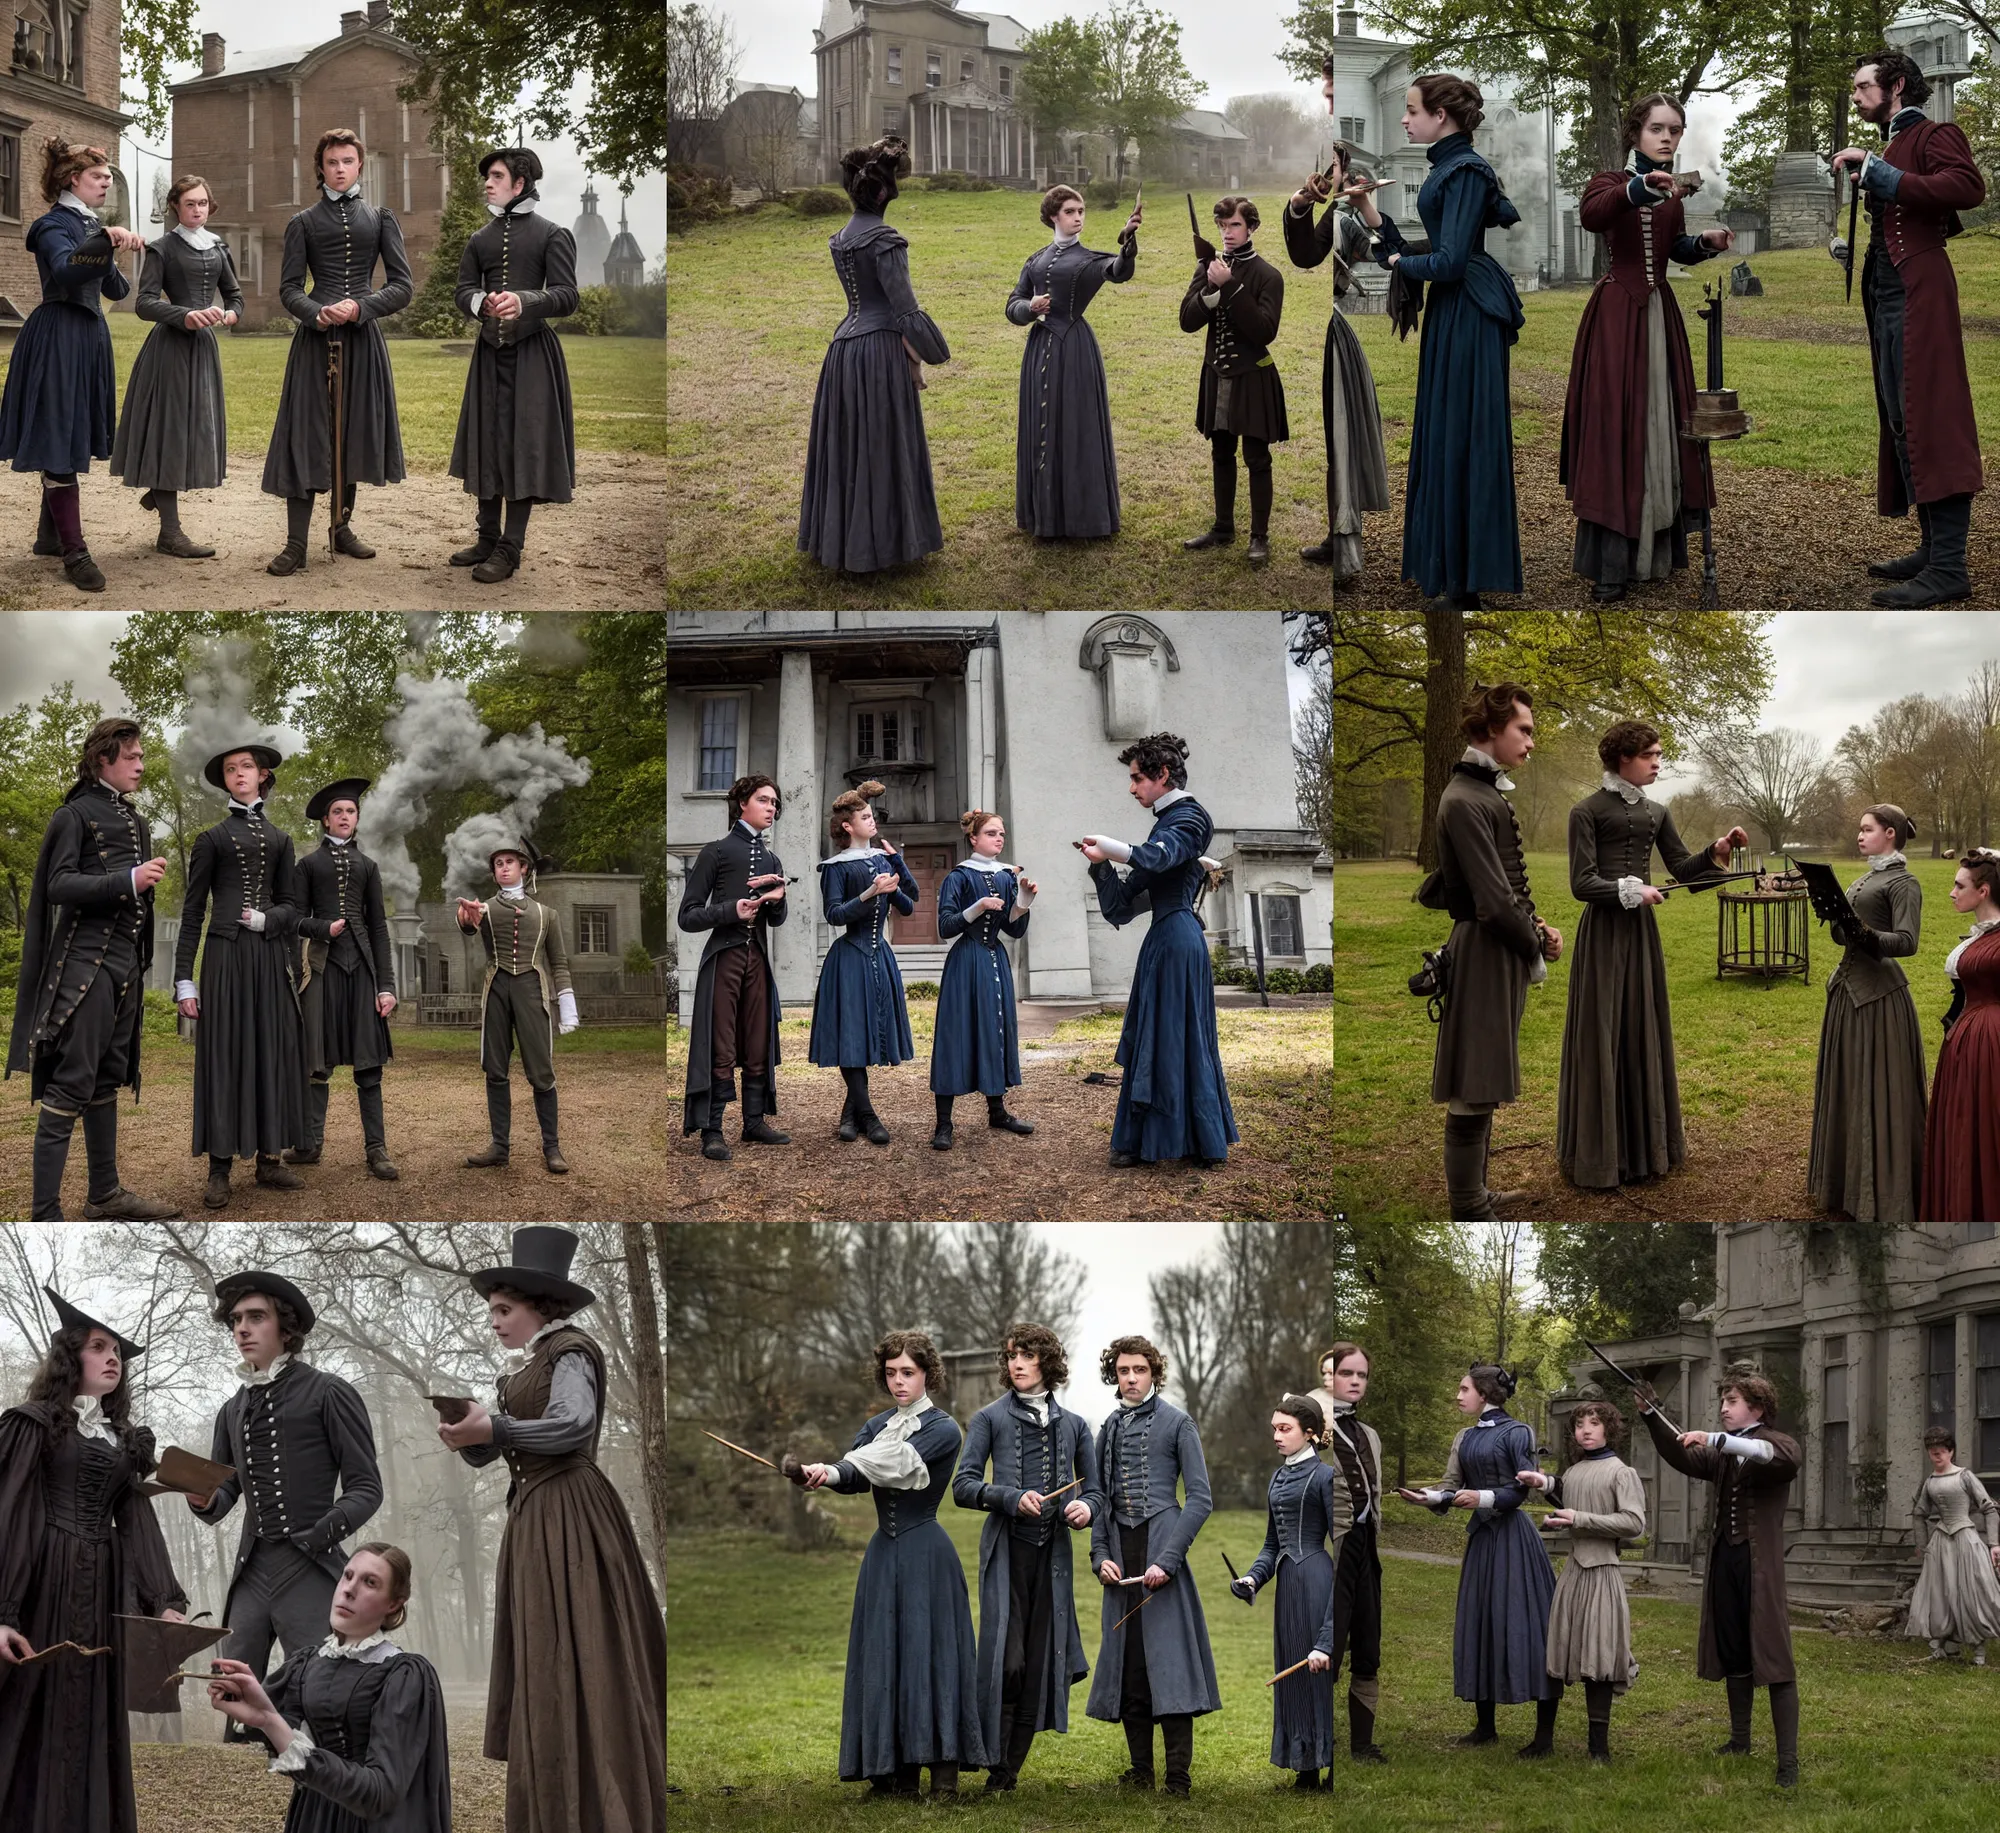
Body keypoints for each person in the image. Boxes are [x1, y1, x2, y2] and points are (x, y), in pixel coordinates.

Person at [442, 1227, 666, 1831]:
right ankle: (556, 1801)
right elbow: (497, 1450)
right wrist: (468, 1432)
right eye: (491, 1310)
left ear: (540, 1307)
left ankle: (603, 1803)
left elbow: (571, 1425)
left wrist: (497, 1430)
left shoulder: (570, 1349)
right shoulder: (523, 1369)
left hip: (572, 1516)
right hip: (534, 1520)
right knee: (545, 1662)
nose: (493, 1321)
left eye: (503, 1309)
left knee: (585, 1653)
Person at [0, 1287, 191, 1833]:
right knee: (28, 1714)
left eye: (117, 1353)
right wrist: (3, 1612)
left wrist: (165, 1602)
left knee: (89, 1722)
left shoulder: (123, 1442)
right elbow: (7, 1515)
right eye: (99, 1347)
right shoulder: (31, 1424)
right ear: (69, 1357)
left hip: (101, 1592)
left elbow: (137, 1522)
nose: (113, 1359)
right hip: (40, 1586)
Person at [1349, 75, 1524, 606]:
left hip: (1470, 310)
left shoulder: (1466, 170)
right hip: (1454, 311)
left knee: (1465, 433)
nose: (1404, 119)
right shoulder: (1448, 167)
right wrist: (1371, 214)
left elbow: (1448, 262)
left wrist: (1402, 261)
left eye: (1411, 110)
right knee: (1448, 429)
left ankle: (1468, 580)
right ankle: (1452, 569)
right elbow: (1439, 246)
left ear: (1440, 115)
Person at [787, 1330, 985, 1798]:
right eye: (892, 1373)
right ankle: (892, 1777)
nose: (899, 1382)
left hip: (926, 1555)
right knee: (886, 1656)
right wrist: (824, 1473)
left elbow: (890, 1463)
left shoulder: (943, 1428)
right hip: (883, 1556)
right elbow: (856, 1475)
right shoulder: (876, 1426)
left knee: (932, 1657)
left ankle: (943, 1779)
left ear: (926, 1375)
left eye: (908, 1373)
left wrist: (831, 1468)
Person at [1557, 720, 1747, 1189]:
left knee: (1641, 1030)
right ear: (1624, 757)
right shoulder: (1586, 812)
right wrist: (1630, 890)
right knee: (1603, 1034)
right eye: (1650, 755)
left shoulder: (1659, 813)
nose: (1658, 763)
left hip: (1641, 936)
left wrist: (1716, 850)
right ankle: (1601, 1157)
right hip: (1604, 936)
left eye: (1660, 755)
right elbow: (1581, 884)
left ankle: (1645, 1150)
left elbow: (1682, 868)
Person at [192, 1272, 384, 1736]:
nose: (242, 1329)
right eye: (236, 1319)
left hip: (311, 1567)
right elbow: (224, 1495)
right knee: (234, 1692)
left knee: (326, 1695)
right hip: (252, 1571)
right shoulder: (232, 1409)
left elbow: (366, 1487)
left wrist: (323, 1531)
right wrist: (202, 1498)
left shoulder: (329, 1392)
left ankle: (328, 1781)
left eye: (256, 1317)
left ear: (286, 1327)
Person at [1561, 95, 1734, 602]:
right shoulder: (1609, 182)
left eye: (1675, 130)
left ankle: (1657, 546)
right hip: (1617, 316)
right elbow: (1593, 215)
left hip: (1661, 314)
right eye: (1657, 128)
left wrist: (1705, 242)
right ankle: (1611, 564)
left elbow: (1673, 247)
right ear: (1636, 132)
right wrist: (1637, 188)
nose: (1666, 138)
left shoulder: (1676, 194)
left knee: (1664, 424)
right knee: (1618, 426)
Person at [7, 715, 180, 1221]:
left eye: (142, 757)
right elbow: (58, 885)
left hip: (125, 967)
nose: (141, 766)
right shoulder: (73, 816)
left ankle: (104, 1194)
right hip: (85, 964)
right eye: (133, 757)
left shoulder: (138, 822)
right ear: (103, 758)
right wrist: (126, 879)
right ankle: (45, 1215)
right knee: (72, 1083)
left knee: (106, 1079)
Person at [1832, 51, 1985, 607]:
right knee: (1901, 415)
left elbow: (1967, 188)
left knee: (1931, 413)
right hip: (1889, 289)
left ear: (1896, 86)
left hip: (1920, 286)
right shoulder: (1893, 144)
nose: (1855, 96)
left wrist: (1879, 173)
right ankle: (1930, 550)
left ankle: (1950, 567)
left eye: (1862, 87)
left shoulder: (1934, 132)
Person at [1420, 683, 1562, 1219]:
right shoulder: (1464, 797)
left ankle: (1476, 1195)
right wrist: (1534, 942)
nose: (1530, 742)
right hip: (1484, 949)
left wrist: (1536, 927)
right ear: (1489, 729)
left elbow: (1505, 891)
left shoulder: (1482, 793)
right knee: (1474, 1083)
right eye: (1523, 730)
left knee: (1483, 1080)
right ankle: (1468, 1206)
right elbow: (1492, 900)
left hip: (1496, 946)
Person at [207, 1544, 451, 1833]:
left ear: (393, 1604)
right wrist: (262, 1714)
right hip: (312, 1819)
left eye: (369, 1582)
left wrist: (272, 1722)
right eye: (347, 1576)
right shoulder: (306, 1664)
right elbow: (291, 1750)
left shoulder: (403, 1675)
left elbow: (380, 1792)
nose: (349, 1589)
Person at [950, 1323, 1101, 1792]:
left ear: (1046, 1363)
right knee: (1008, 1661)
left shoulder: (1075, 1426)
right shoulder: (988, 1419)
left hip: (1052, 1557)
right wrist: (1009, 1497)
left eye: (1027, 1355)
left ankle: (1006, 1772)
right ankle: (988, 1756)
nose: (1016, 1363)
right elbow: (963, 1486)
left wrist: (1084, 1509)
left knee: (1038, 1663)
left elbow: (1094, 1491)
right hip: (1006, 1554)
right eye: (1012, 1355)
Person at [1636, 1369, 1801, 1786]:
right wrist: (1651, 1414)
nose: (1724, 1409)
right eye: (1723, 1402)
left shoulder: (1779, 1444)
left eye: (1732, 1402)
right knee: (1732, 1649)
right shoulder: (1724, 1454)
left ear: (1757, 1409)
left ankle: (1788, 1762)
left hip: (1759, 1567)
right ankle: (1740, 1739)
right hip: (1726, 1560)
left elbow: (1772, 1457)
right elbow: (1682, 1457)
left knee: (1774, 1655)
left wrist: (1713, 1437)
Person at [1081, 733, 1237, 1167]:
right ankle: (1148, 1137)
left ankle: (1194, 1138)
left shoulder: (1190, 817)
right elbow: (1120, 907)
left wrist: (1113, 845)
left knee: (1177, 1033)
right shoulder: (1164, 825)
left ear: (1162, 774)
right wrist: (1100, 865)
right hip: (1161, 940)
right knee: (1157, 1033)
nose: (1131, 788)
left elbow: (1157, 857)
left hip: (1179, 939)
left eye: (1136, 779)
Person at [262, 128, 413, 576]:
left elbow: (403, 287)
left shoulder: (382, 218)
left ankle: (341, 527)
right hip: (315, 343)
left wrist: (362, 307)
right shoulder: (303, 223)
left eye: (348, 161)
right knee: (306, 435)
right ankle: (295, 543)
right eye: (332, 163)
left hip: (363, 343)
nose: (340, 169)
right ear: (321, 167)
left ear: (359, 165)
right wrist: (317, 312)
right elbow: (289, 290)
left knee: (352, 432)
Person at [798, 135, 951, 574]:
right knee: (881, 444)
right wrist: (934, 353)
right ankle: (883, 548)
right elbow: (905, 310)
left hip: (843, 351)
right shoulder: (886, 241)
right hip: (879, 352)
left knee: (850, 446)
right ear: (886, 193)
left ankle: (844, 542)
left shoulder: (840, 239)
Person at [0, 138, 144, 592]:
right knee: (58, 431)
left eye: (106, 176)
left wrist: (114, 245)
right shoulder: (51, 226)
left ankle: (48, 534)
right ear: (71, 181)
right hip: (57, 335)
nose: (106, 182)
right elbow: (64, 272)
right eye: (98, 176)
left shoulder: (87, 222)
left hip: (88, 337)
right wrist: (103, 239)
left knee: (70, 431)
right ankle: (74, 551)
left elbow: (117, 292)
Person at [173, 743, 311, 1210]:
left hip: (268, 957)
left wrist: (266, 921)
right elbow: (193, 913)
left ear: (263, 775)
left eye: (245, 767)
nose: (238, 774)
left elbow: (293, 907)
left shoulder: (282, 839)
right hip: (225, 959)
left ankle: (270, 1159)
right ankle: (219, 1167)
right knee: (226, 1054)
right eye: (230, 770)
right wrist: (184, 980)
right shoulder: (210, 839)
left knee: (270, 1050)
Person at [1396, 1366, 1558, 1753]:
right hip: (1483, 1541)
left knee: (1529, 1626)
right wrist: (1431, 1497)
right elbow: (1452, 1486)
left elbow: (1521, 1490)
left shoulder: (1518, 1432)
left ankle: (1544, 1737)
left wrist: (1482, 1497)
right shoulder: (1464, 1437)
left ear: (1484, 1393)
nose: (1458, 1395)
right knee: (1480, 1622)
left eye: (1464, 1388)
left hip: (1514, 1541)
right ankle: (1485, 1727)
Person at [1086, 1335, 1221, 1798]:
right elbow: (1099, 1501)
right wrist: (1099, 1555)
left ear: (1153, 1373)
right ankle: (1141, 1770)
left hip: (1163, 1549)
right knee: (1132, 1667)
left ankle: (1178, 1777)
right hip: (1122, 1553)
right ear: (1114, 1375)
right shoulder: (1108, 1428)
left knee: (1170, 1663)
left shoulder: (1179, 1423)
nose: (1130, 1378)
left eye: (1139, 1370)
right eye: (1123, 1371)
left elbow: (1200, 1499)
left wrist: (1169, 1560)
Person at [448, 145, 580, 584]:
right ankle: (487, 537)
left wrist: (524, 301)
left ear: (520, 184)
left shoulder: (552, 234)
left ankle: (511, 547)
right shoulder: (479, 239)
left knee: (522, 447)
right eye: (488, 176)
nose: (488, 183)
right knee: (488, 443)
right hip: (489, 355)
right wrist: (479, 301)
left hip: (532, 358)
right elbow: (463, 289)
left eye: (497, 176)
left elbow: (567, 296)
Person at [1284, 69, 1392, 575]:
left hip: (1337, 337)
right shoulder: (1332, 213)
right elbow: (1304, 252)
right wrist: (1301, 204)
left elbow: (1385, 253)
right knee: (1332, 439)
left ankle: (1345, 549)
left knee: (1341, 439)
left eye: (1337, 166)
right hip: (1318, 337)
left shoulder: (1349, 216)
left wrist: (1363, 207)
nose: (1331, 175)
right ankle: (1336, 537)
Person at [109, 172, 243, 558]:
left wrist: (231, 315)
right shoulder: (162, 248)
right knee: (171, 431)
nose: (197, 210)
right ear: (176, 207)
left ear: (210, 206)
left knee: (195, 429)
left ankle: (159, 492)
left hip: (202, 350)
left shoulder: (217, 246)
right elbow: (145, 302)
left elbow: (235, 295)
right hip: (169, 349)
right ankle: (170, 532)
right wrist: (184, 315)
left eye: (203, 203)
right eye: (190, 204)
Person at [1809, 803, 1926, 1225]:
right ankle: (1845, 1183)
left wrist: (1864, 933)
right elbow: (1849, 935)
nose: (1859, 836)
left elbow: (1907, 942)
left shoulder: (1904, 882)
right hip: (1847, 992)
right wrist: (1835, 917)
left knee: (1877, 1091)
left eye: (1867, 829)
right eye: (1859, 830)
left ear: (1890, 833)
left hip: (1879, 997)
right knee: (1848, 1087)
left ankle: (1884, 1191)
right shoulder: (1866, 877)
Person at [1005, 184, 1142, 539]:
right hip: (1040, 350)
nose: (1078, 217)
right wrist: (1029, 309)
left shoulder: (1089, 260)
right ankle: (1044, 516)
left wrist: (1127, 241)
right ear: (1053, 216)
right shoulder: (1035, 260)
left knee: (1075, 426)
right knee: (1041, 425)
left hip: (1075, 351)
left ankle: (1082, 517)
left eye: (1081, 211)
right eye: (1070, 212)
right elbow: (1013, 304)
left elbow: (1118, 270)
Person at [1515, 1397, 1646, 1761]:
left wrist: (1579, 1518)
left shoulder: (1622, 1473)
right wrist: (1542, 1482)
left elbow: (1634, 1523)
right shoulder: (1574, 1471)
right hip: (1573, 1573)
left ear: (1609, 1428)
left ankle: (1598, 1748)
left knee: (1600, 1656)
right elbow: (1565, 1492)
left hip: (1602, 1572)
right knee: (1556, 1651)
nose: (1585, 1430)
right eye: (1579, 1425)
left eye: (1593, 1423)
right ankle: (1543, 1740)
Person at [285, 778, 398, 1181]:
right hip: (321, 970)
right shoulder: (307, 866)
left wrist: (386, 985)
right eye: (338, 812)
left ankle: (377, 1149)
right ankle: (310, 1145)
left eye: (350, 812)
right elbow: (294, 920)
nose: (345, 817)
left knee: (368, 1065)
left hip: (363, 971)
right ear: (325, 821)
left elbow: (380, 928)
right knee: (318, 1064)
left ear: (357, 818)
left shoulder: (368, 867)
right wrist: (321, 929)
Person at [1228, 1395, 1340, 1790]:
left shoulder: (1326, 1477)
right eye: (1274, 1428)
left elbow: (1341, 1551)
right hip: (1289, 1587)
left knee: (1318, 1671)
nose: (1276, 1436)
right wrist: (1253, 1579)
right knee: (1292, 1673)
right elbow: (1272, 1545)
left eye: (1284, 1428)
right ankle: (1305, 1766)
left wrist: (1329, 1633)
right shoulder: (1277, 1477)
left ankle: (1332, 1769)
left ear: (1309, 1433)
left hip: (1317, 1580)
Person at [677, 774, 790, 1161]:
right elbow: (687, 916)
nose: (771, 808)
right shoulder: (717, 852)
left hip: (757, 957)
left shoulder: (773, 859)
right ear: (742, 802)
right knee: (720, 1042)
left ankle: (754, 1122)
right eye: (764, 800)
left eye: (775, 803)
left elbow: (776, 920)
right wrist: (731, 910)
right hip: (723, 958)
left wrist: (776, 897)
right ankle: (712, 1129)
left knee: (758, 1039)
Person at [455, 841, 577, 1174]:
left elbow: (559, 961)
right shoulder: (484, 909)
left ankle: (552, 1148)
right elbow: (468, 924)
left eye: (510, 862)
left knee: (540, 1070)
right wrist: (465, 917)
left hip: (531, 987)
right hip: (496, 987)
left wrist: (567, 1003)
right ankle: (500, 1147)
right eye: (498, 863)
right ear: (494, 873)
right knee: (495, 1068)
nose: (504, 867)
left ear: (524, 868)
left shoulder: (545, 913)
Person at [808, 779, 919, 1145]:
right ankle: (868, 1116)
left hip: (880, 956)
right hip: (850, 958)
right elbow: (834, 915)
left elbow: (909, 904)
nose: (873, 822)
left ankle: (849, 1114)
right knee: (852, 1035)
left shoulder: (883, 859)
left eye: (872, 816)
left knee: (870, 1035)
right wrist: (871, 892)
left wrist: (896, 868)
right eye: (866, 817)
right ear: (847, 826)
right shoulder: (835, 868)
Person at [1178, 196, 1287, 563]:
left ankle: (1259, 537)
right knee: (1220, 452)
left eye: (1235, 225)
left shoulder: (1268, 275)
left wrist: (1231, 287)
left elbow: (1263, 331)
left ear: (1252, 227)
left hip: (1252, 376)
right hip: (1217, 373)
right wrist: (1210, 290)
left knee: (1257, 457)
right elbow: (1187, 322)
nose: (1227, 233)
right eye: (1222, 226)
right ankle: (1223, 528)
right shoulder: (1208, 266)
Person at [930, 808, 1036, 1150]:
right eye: (991, 833)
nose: (999, 838)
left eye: (1001, 833)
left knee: (996, 1029)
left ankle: (997, 1111)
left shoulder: (1006, 876)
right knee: (955, 1034)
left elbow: (1014, 930)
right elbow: (945, 927)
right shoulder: (958, 877)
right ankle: (943, 1123)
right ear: (973, 838)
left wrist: (1022, 903)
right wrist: (977, 907)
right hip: (966, 962)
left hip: (994, 960)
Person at [1306, 1343, 1386, 1763]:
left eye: (1362, 1375)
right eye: (1346, 1374)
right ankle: (1320, 1746)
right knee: (1328, 1647)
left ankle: (1362, 1744)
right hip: (1332, 1552)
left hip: (1365, 1550)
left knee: (1368, 1646)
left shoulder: (1369, 1434)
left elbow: (1374, 1497)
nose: (1356, 1381)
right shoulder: (1314, 1431)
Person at [1920, 847, 2000, 1221]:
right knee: (1966, 1128)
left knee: (1985, 1126)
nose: (1952, 893)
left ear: (1983, 891)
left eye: (1959, 885)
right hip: (1968, 1042)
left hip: (1989, 1046)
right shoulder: (1981, 936)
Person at [1904, 1426, 2000, 1663]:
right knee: (1942, 1593)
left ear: (1951, 1452)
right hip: (1940, 1542)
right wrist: (1923, 1545)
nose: (1936, 1456)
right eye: (1932, 1452)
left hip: (1965, 1539)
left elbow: (1989, 1508)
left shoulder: (1965, 1476)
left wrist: (1994, 1544)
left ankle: (1978, 1649)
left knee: (1972, 1591)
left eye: (1941, 1452)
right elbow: (1919, 1513)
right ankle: (1945, 1645)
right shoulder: (1929, 1482)